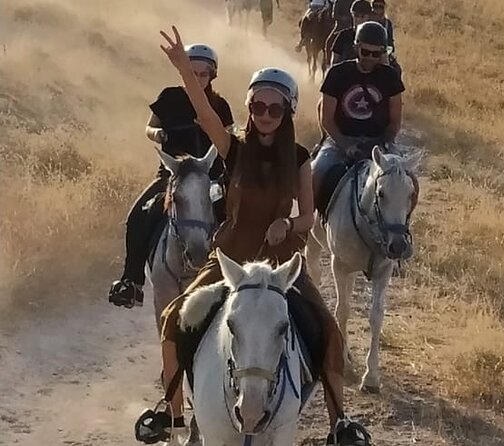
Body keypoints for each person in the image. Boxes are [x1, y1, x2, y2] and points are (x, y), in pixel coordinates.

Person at [134, 25, 370, 446]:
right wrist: (185, 71)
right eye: (258, 106)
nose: (264, 114)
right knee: (173, 321)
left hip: (281, 264)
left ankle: (339, 423)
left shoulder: (300, 159)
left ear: (287, 113)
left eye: (274, 109)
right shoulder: (234, 147)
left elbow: (308, 218)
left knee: (328, 331)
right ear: (249, 107)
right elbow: (206, 115)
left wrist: (289, 225)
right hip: (230, 259)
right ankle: (171, 413)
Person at [108, 43, 234, 309]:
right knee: (138, 214)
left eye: (203, 73)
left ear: (213, 75)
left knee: (233, 217)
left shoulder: (220, 105)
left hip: (210, 178)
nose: (198, 78)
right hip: (171, 175)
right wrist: (159, 135)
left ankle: (240, 278)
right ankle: (131, 282)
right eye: (192, 72)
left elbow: (230, 139)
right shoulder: (169, 97)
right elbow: (149, 126)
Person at [312, 21, 404, 203]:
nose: (370, 57)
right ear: (356, 47)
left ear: (383, 52)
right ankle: (305, 225)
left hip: (379, 142)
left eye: (376, 53)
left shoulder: (391, 77)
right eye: (365, 52)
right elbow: (327, 120)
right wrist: (346, 145)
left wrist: (382, 143)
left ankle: (401, 225)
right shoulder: (337, 74)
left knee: (407, 178)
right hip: (341, 140)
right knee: (316, 174)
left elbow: (395, 122)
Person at [330, 0, 373, 65]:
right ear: (352, 15)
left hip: (368, 73)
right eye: (356, 15)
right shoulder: (343, 36)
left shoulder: (375, 36)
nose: (358, 19)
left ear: (368, 17)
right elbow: (334, 62)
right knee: (329, 41)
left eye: (362, 16)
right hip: (341, 24)